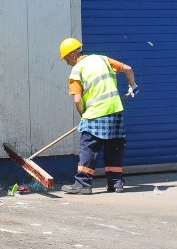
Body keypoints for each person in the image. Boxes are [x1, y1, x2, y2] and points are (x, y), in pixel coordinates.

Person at [58, 37, 138, 194]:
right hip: (115, 111)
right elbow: (127, 68)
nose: (67, 63)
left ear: (73, 54)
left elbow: (77, 99)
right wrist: (133, 86)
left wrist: (83, 116)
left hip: (95, 113)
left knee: (88, 147)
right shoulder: (102, 59)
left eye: (67, 58)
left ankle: (83, 184)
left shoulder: (76, 70)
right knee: (114, 147)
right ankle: (115, 183)